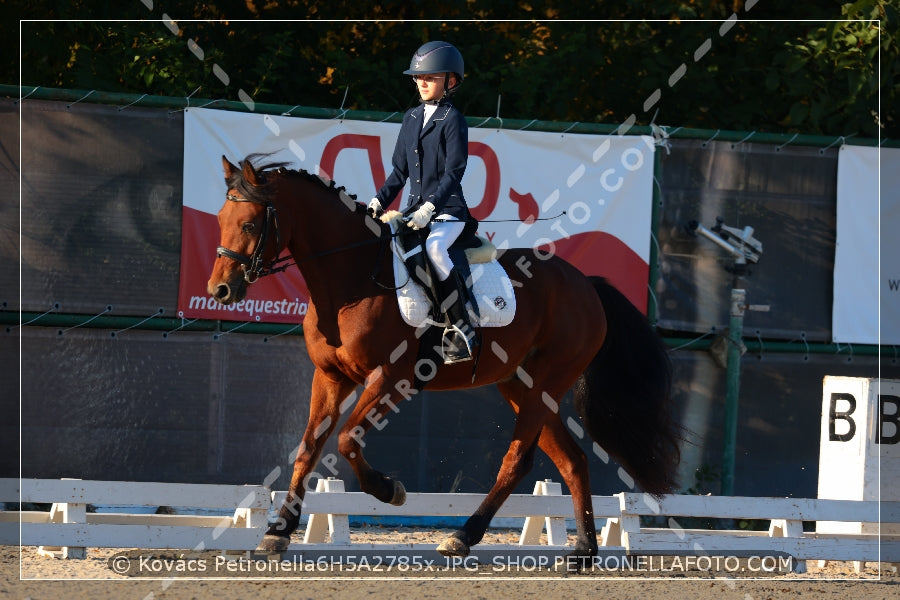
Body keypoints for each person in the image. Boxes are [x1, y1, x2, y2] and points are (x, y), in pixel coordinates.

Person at [367, 40, 477, 364]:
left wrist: (431, 207)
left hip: (448, 212)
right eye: (418, 77)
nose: (422, 82)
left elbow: (454, 171)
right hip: (413, 212)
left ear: (451, 82)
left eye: (430, 77)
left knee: (434, 250)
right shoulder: (411, 117)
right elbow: (399, 171)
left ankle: (461, 328)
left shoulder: (452, 119)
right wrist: (378, 201)